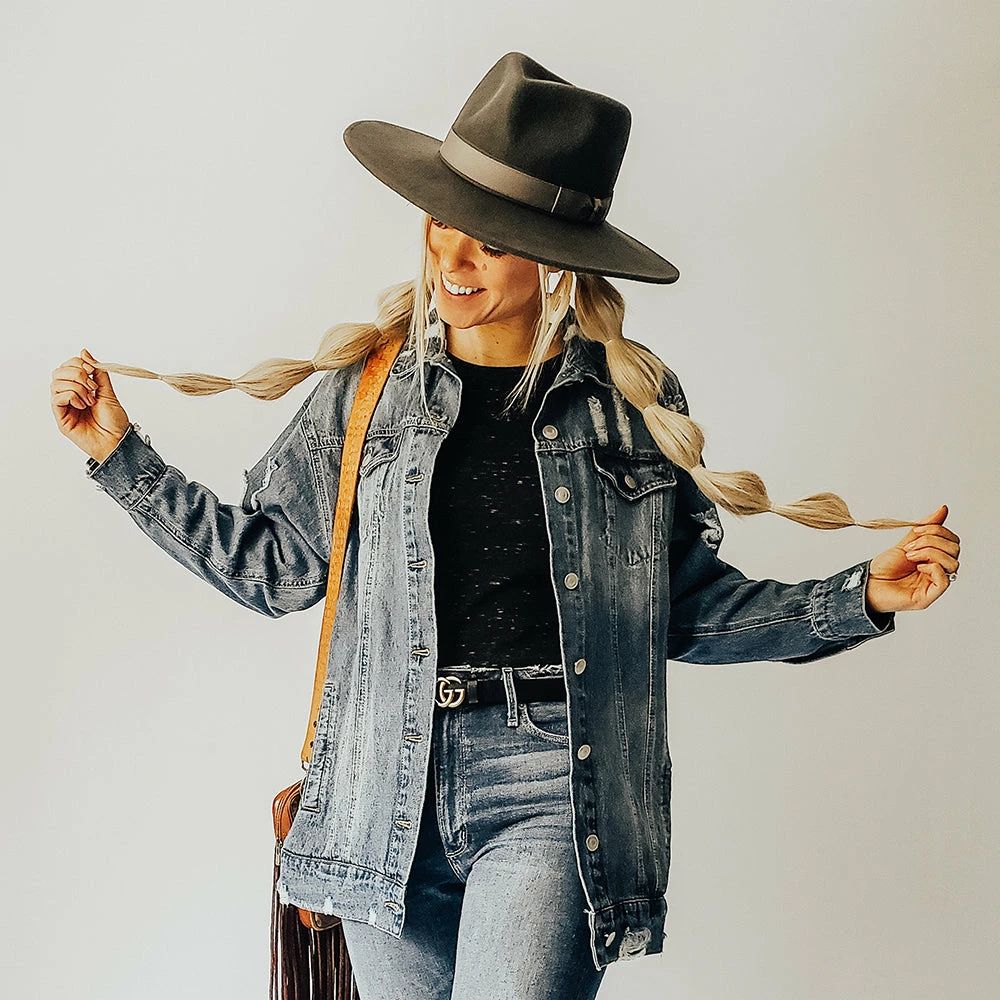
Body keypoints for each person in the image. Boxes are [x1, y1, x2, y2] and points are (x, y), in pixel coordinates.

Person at [50, 52, 960, 1000]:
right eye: (442, 222)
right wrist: (120, 455)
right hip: (378, 792)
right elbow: (274, 569)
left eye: (487, 240)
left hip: (552, 785)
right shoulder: (368, 390)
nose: (452, 259)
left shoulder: (626, 404)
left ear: (552, 256)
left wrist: (858, 597)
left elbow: (681, 609)